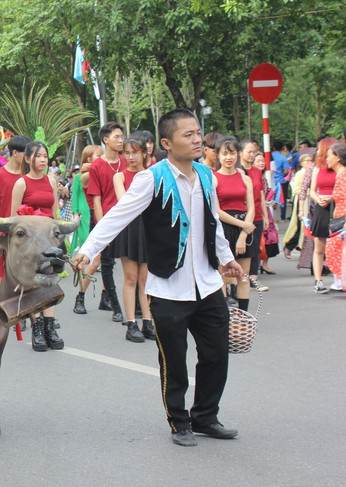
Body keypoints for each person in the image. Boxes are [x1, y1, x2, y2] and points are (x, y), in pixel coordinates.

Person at [71, 109, 243, 447]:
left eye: (198, 133)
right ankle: (180, 422)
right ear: (166, 143)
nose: (197, 140)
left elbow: (213, 223)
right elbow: (116, 218)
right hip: (168, 288)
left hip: (208, 285)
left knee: (216, 355)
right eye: (188, 135)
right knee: (174, 362)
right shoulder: (151, 179)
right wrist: (88, 251)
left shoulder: (207, 176)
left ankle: (206, 417)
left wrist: (227, 259)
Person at [10, 142, 64, 352]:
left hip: (51, 239)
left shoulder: (51, 180)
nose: (43, 160)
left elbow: (55, 210)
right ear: (27, 159)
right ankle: (37, 328)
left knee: (51, 281)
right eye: (38, 156)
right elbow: (15, 218)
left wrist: (60, 237)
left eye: (45, 156)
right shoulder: (21, 183)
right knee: (34, 283)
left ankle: (51, 328)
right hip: (32, 242)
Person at [111, 138, 153, 342]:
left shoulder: (152, 174)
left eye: (134, 152)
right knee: (131, 278)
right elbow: (125, 202)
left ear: (144, 153)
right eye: (126, 152)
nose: (130, 157)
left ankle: (147, 321)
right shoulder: (119, 176)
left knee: (146, 279)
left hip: (148, 228)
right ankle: (131, 323)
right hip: (129, 228)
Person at [87, 122, 127, 322]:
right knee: (107, 264)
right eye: (117, 137)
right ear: (105, 140)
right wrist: (103, 228)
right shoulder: (97, 166)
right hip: (108, 221)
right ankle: (116, 306)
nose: (121, 140)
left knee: (133, 264)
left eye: (122, 137)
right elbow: (96, 199)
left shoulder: (126, 161)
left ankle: (136, 305)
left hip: (128, 221)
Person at [212, 136, 255, 311]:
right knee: (222, 275)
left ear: (237, 154)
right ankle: (224, 317)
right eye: (224, 154)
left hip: (245, 228)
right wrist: (243, 224)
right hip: (223, 229)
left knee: (243, 276)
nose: (228, 158)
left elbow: (252, 207)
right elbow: (217, 211)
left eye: (232, 153)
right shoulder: (213, 178)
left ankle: (243, 316)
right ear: (218, 156)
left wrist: (244, 233)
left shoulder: (245, 179)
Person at [72, 144, 104, 314]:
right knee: (94, 259)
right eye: (98, 155)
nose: (102, 157)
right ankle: (80, 296)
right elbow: (75, 193)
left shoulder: (105, 171)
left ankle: (106, 296)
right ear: (89, 158)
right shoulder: (83, 176)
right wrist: (76, 211)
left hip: (107, 215)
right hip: (89, 213)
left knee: (108, 262)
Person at [308, 138, 338, 293]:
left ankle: (338, 279)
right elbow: (312, 190)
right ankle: (318, 280)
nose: (318, 152)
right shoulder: (317, 168)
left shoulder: (340, 169)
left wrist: (332, 196)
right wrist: (318, 198)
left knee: (338, 244)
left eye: (320, 149)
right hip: (321, 208)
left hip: (336, 206)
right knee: (319, 246)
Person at [240, 141, 269, 292]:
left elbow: (261, 195)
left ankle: (254, 278)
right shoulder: (237, 170)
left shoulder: (257, 172)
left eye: (254, 152)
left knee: (255, 247)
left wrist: (265, 215)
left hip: (256, 213)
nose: (251, 155)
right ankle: (240, 279)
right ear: (241, 152)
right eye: (248, 152)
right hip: (241, 215)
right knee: (242, 247)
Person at [0, 135, 31, 219]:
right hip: (4, 228)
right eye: (26, 154)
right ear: (15, 153)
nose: (29, 157)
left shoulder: (29, 175)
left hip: (26, 227)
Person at [324, 143, 346, 290]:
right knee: (334, 250)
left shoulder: (344, 175)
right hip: (338, 219)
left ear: (338, 158)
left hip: (343, 221)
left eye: (329, 156)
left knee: (336, 251)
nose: (326, 159)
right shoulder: (339, 175)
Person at [283, 154, 313, 258]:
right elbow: (296, 190)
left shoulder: (312, 172)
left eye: (310, 161)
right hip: (301, 202)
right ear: (301, 163)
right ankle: (289, 246)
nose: (309, 163)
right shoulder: (300, 174)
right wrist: (309, 193)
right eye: (306, 161)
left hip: (310, 202)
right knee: (300, 227)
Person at [271, 140, 290, 221]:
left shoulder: (270, 156)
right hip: (281, 181)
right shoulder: (283, 158)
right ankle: (282, 217)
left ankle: (272, 215)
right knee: (283, 199)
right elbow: (286, 171)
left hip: (271, 180)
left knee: (271, 198)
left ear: (274, 148)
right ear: (282, 149)